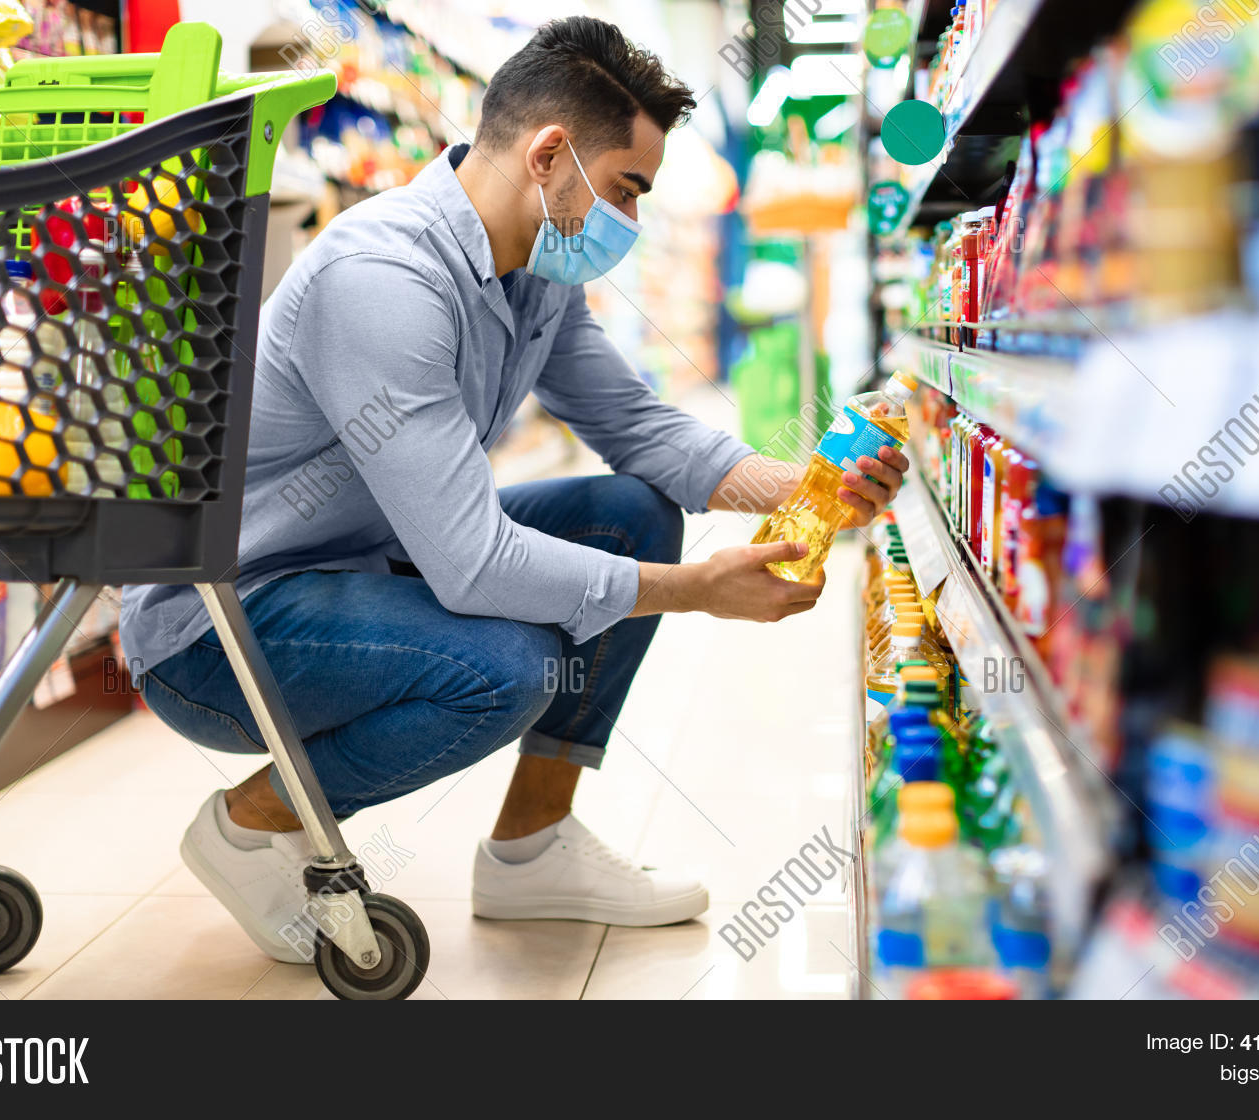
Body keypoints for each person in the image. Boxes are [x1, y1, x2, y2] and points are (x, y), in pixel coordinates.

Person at [119, 15, 906, 963]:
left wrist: (811, 483)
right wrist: (697, 594)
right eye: (627, 189)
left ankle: (534, 847)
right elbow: (472, 564)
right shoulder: (384, 278)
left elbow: (638, 427)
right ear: (548, 154)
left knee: (629, 514)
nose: (632, 221)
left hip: (364, 567)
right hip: (227, 620)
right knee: (509, 668)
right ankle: (253, 824)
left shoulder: (531, 272)